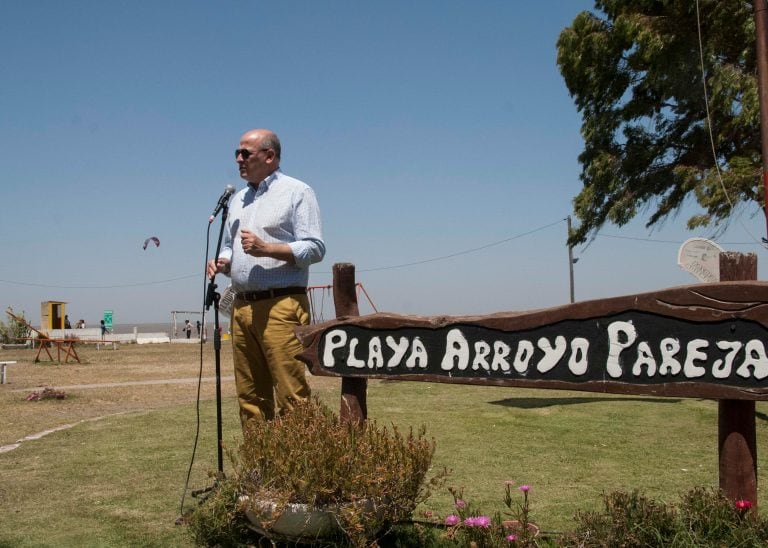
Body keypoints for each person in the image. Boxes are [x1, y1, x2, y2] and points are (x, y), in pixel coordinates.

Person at [207, 128, 325, 425]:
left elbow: (315, 248)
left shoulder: (297, 192)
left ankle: (299, 470)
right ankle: (258, 471)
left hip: (281, 306)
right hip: (241, 307)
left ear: (269, 156)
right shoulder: (238, 200)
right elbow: (229, 246)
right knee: (251, 399)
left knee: (291, 396)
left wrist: (267, 248)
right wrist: (222, 262)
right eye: (236, 153)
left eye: (245, 153)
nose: (238, 159)